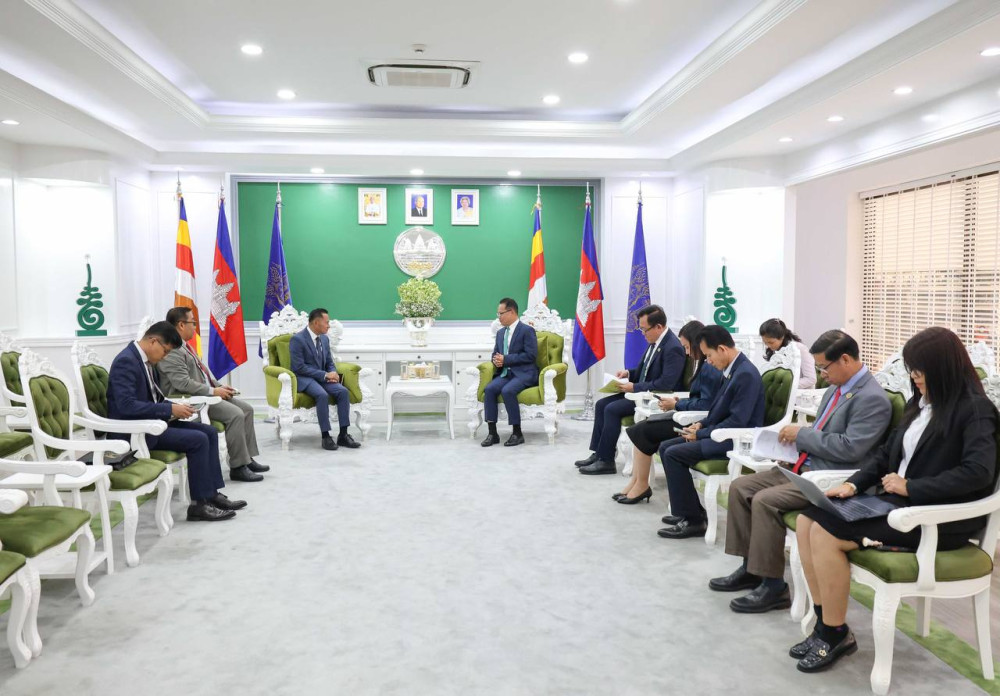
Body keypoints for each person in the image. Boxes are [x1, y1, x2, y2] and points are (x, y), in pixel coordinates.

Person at [792, 326, 998, 673]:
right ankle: (824, 623)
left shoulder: (976, 411)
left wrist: (912, 487)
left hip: (936, 519)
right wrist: (853, 485)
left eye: (920, 370)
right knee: (806, 519)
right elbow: (885, 455)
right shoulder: (921, 404)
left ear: (943, 368)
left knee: (825, 533)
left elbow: (977, 472)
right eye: (911, 369)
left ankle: (835, 633)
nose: (914, 377)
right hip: (899, 507)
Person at [709, 330, 892, 613]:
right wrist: (793, 445)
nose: (821, 375)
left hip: (832, 477)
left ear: (845, 360)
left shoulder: (872, 398)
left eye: (824, 368)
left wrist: (802, 435)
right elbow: (822, 434)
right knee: (740, 487)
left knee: (765, 501)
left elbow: (851, 448)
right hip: (805, 465)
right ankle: (751, 568)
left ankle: (773, 587)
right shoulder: (834, 389)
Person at [106, 321, 244, 522]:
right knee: (198, 440)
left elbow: (155, 398)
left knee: (209, 432)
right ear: (153, 341)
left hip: (154, 423)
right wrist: (169, 409)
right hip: (137, 431)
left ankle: (211, 495)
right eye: (165, 351)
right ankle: (199, 505)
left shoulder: (145, 361)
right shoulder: (126, 361)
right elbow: (127, 406)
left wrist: (177, 408)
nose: (165, 357)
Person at [657, 325, 765, 538]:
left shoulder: (745, 374)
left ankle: (694, 521)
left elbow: (737, 421)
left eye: (708, 355)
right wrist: (701, 425)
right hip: (721, 433)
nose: (707, 361)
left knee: (673, 454)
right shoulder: (734, 369)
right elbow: (718, 410)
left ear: (722, 349)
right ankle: (689, 511)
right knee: (665, 447)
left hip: (735, 440)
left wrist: (700, 434)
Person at [615, 320, 723, 503]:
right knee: (640, 428)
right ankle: (636, 481)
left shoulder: (710, 367)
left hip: (692, 419)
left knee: (642, 430)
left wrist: (677, 405)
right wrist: (678, 402)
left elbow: (706, 404)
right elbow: (700, 398)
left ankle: (642, 485)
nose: (686, 353)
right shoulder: (704, 363)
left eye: (687, 347)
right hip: (686, 413)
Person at [159, 307, 268, 483]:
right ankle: (238, 467)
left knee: (247, 409)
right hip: (189, 399)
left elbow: (202, 374)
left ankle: (247, 458)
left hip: (206, 393)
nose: (195, 326)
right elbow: (183, 384)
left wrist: (219, 386)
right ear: (181, 325)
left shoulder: (184, 344)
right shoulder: (172, 350)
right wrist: (213, 391)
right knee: (236, 414)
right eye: (193, 322)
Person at [576, 305, 686, 475]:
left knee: (612, 409)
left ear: (658, 327)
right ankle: (599, 453)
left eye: (644, 329)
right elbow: (646, 370)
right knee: (601, 404)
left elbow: (666, 383)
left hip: (654, 398)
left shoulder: (673, 348)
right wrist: (629, 373)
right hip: (640, 393)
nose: (642, 333)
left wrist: (634, 387)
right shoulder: (655, 341)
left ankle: (606, 461)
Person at [289, 308, 362, 451]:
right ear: (316, 323)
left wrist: (332, 372)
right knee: (322, 395)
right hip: (305, 378)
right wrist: (325, 375)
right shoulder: (297, 339)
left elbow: (329, 361)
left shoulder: (324, 338)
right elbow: (299, 367)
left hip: (322, 377)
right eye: (326, 322)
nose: (329, 326)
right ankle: (326, 436)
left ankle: (343, 435)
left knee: (343, 391)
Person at [481, 298, 538, 447]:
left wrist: (506, 359)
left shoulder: (527, 330)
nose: (499, 317)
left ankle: (517, 433)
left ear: (511, 312)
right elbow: (495, 354)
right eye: (498, 313)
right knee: (489, 389)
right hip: (505, 373)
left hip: (523, 373)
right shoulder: (500, 333)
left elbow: (530, 356)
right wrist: (497, 360)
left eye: (501, 313)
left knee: (508, 390)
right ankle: (492, 433)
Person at [759, 318, 816, 389]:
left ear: (782, 337)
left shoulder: (799, 349)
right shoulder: (775, 350)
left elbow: (811, 379)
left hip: (799, 393)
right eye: (765, 343)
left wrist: (784, 386)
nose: (768, 346)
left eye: (771, 342)